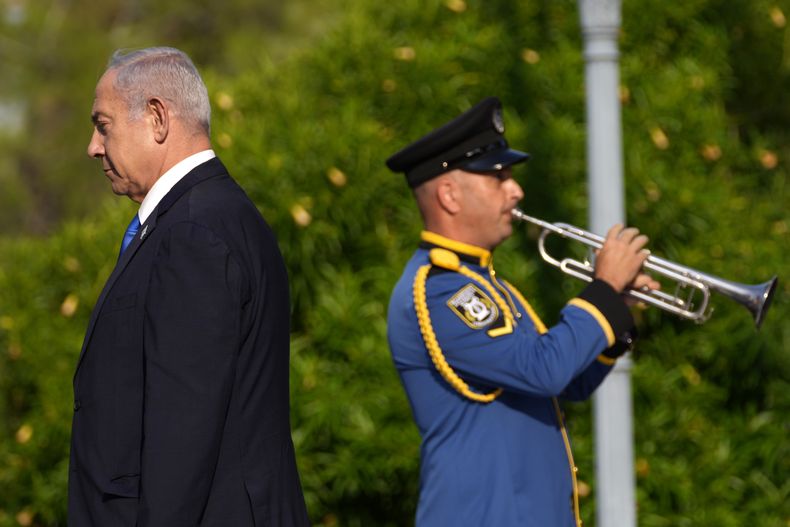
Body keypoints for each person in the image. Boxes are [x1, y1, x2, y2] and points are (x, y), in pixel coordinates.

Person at [385, 96, 658, 526]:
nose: (517, 190)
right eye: (499, 177)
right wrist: (603, 289)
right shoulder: (441, 291)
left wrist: (619, 312)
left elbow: (565, 383)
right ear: (450, 195)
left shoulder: (484, 283)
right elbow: (542, 369)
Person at [69, 47, 310, 527]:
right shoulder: (211, 218)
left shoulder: (193, 234)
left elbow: (181, 436)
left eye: (104, 124)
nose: (93, 146)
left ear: (157, 117)